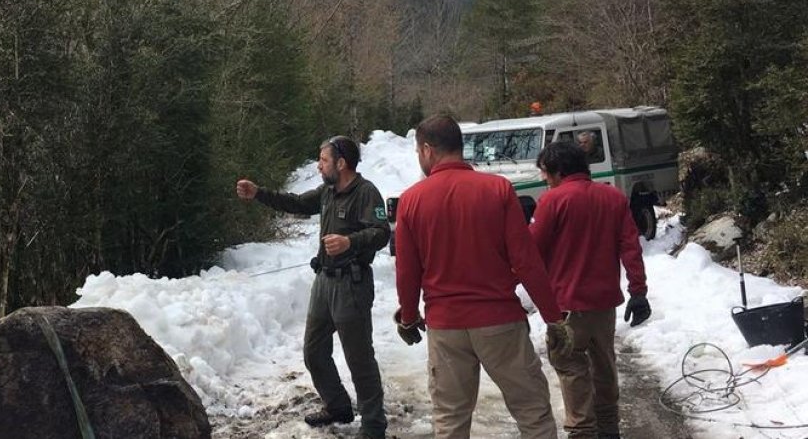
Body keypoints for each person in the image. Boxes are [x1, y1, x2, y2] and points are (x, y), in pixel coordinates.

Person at [393, 115, 572, 439]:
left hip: (446, 327)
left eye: (418, 151)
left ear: (429, 150)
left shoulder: (411, 200)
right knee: (533, 413)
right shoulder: (497, 189)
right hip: (500, 322)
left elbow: (407, 271)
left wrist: (408, 318)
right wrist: (553, 317)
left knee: (449, 421)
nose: (419, 158)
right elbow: (527, 261)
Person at [236, 136, 390, 439]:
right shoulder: (327, 192)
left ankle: (374, 426)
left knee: (359, 358)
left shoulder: (366, 193)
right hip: (324, 283)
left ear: (341, 163)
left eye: (323, 160)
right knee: (314, 351)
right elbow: (296, 203)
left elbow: (382, 233)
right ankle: (338, 406)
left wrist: (350, 241)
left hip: (352, 285)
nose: (319, 166)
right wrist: (258, 194)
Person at [530, 141, 651, 439]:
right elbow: (630, 246)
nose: (544, 179)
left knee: (571, 369)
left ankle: (582, 432)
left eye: (545, 173)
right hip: (604, 305)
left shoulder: (552, 201)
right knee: (604, 367)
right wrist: (638, 291)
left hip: (566, 308)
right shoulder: (613, 198)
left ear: (558, 171)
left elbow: (532, 251)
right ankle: (609, 430)